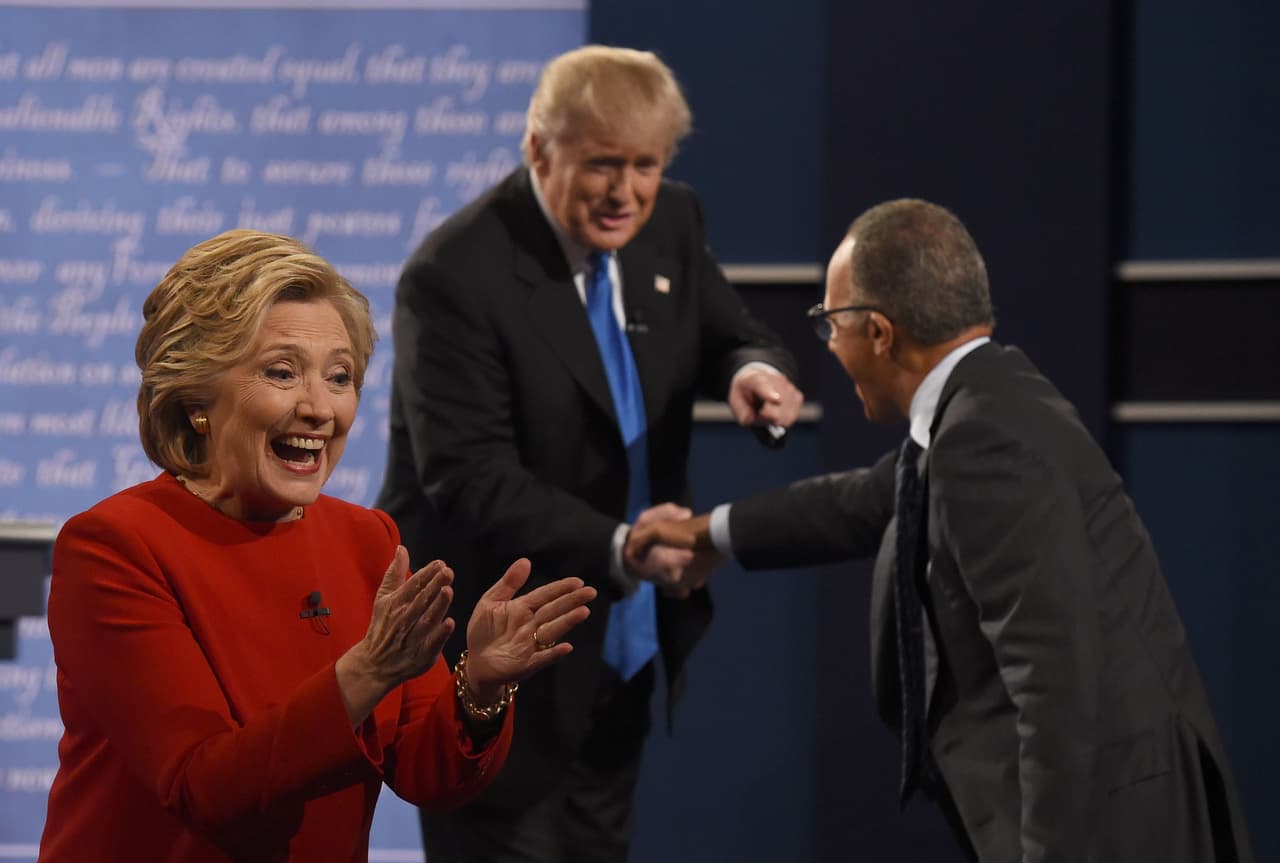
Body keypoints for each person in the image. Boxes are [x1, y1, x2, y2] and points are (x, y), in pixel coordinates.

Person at [629, 198, 1255, 862]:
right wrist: (707, 533)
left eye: (831, 325)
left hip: (1112, 826)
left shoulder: (986, 437)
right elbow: (867, 501)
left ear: (878, 332)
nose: (831, 349)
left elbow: (1054, 683)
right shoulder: (987, 402)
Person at [39, 230, 597, 863]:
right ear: (197, 399)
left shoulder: (366, 538)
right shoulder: (115, 547)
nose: (319, 409)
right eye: (281, 373)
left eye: (340, 377)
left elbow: (428, 775)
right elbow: (205, 786)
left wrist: (481, 688)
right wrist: (368, 671)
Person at [376, 45, 803, 862]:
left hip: (619, 638)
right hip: (493, 659)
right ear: (540, 149)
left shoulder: (671, 221)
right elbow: (466, 476)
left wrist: (751, 370)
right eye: (602, 164)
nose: (626, 191)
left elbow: (730, 331)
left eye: (645, 164)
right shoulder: (453, 273)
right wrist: (621, 545)